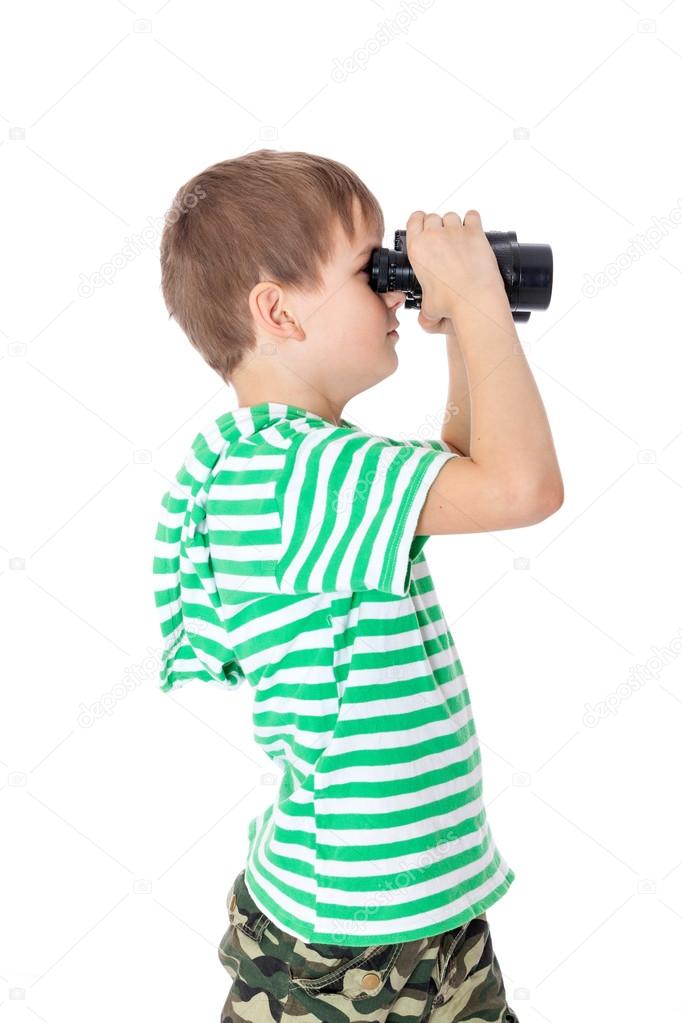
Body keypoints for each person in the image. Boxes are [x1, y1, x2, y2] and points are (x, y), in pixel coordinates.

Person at [152, 149, 563, 1022]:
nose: (394, 294)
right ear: (276, 310)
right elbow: (522, 486)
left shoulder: (303, 465)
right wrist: (484, 303)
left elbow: (473, 459)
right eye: (371, 271)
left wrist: (463, 324)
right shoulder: (296, 474)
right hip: (347, 944)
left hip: (417, 912)